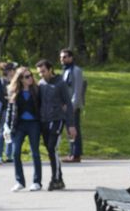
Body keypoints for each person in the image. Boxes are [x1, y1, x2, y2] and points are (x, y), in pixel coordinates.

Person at [35, 59, 75, 191]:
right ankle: (60, 179)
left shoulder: (60, 83)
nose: (41, 74)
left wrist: (71, 125)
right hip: (44, 121)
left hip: (57, 120)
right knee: (50, 150)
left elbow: (68, 104)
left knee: (52, 148)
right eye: (39, 72)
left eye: (43, 71)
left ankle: (55, 179)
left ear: (50, 69)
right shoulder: (40, 84)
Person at [6, 66, 43, 191]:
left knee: (35, 153)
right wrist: (8, 125)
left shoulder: (37, 90)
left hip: (34, 124)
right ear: (21, 79)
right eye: (27, 76)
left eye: (31, 75)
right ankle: (19, 181)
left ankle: (37, 181)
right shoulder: (14, 92)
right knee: (15, 153)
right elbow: (10, 110)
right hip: (19, 125)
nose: (30, 78)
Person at [60, 48, 86, 163]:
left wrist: (72, 106)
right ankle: (71, 153)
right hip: (66, 106)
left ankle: (76, 154)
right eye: (61, 57)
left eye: (65, 57)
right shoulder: (65, 70)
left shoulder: (76, 70)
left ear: (71, 58)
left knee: (75, 129)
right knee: (70, 131)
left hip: (73, 106)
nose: (62, 59)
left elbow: (77, 90)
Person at [0, 61, 17, 163]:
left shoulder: (14, 81)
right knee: (2, 132)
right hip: (4, 109)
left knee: (9, 132)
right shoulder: (2, 81)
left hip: (12, 109)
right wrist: (9, 97)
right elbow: (1, 96)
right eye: (14, 69)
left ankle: (9, 155)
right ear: (9, 71)